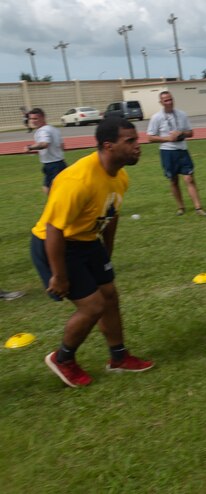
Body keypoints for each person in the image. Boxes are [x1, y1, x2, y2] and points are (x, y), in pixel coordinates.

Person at [31, 117, 154, 388]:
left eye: (137, 139)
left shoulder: (120, 176)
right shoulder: (77, 179)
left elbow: (111, 216)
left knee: (109, 295)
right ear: (108, 146)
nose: (138, 145)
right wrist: (59, 275)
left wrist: (104, 255)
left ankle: (119, 357)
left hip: (87, 241)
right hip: (56, 243)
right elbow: (53, 229)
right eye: (130, 141)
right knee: (93, 306)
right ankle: (62, 358)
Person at [147, 91, 206, 216]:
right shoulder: (156, 117)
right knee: (173, 180)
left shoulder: (182, 114)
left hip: (182, 150)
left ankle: (198, 207)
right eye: (166, 101)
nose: (169, 102)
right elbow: (150, 137)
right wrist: (167, 139)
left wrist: (181, 134)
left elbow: (191, 133)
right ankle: (180, 207)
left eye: (170, 99)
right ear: (161, 102)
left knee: (189, 178)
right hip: (167, 151)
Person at [25, 108, 67, 195]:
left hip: (52, 165)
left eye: (35, 118)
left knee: (53, 191)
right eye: (31, 119)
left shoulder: (43, 131)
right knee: (47, 188)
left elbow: (44, 144)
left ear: (43, 118)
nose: (32, 121)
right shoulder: (54, 129)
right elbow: (62, 146)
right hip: (59, 163)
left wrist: (29, 147)